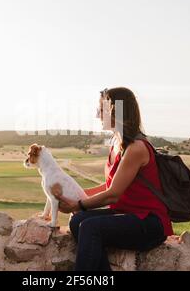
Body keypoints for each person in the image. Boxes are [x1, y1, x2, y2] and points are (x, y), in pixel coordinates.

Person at [56, 87, 174, 271]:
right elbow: (109, 185)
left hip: (149, 223)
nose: (97, 115)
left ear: (115, 111)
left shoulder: (136, 148)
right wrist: (77, 196)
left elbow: (113, 195)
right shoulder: (117, 144)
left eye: (101, 110)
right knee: (77, 221)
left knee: (90, 227)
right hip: (128, 215)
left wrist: (76, 204)